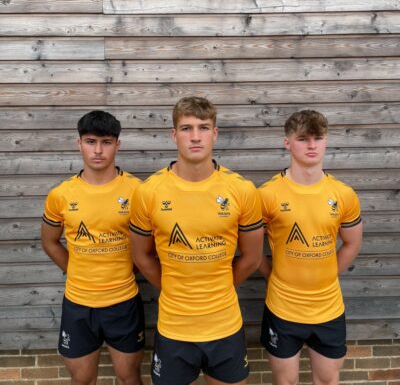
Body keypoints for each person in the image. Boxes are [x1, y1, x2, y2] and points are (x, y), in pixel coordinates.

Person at [130, 96, 264, 385]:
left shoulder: (241, 189)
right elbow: (141, 256)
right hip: (174, 328)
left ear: (214, 133)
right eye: (186, 128)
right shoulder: (148, 191)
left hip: (225, 326)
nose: (195, 137)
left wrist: (219, 286)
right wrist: (173, 286)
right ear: (174, 134)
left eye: (203, 128)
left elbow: (252, 258)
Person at [258, 110, 363, 385]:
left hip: (328, 309)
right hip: (283, 309)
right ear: (287, 142)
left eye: (318, 138)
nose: (312, 145)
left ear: (327, 141)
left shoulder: (343, 194)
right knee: (285, 382)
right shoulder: (267, 194)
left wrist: (327, 274)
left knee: (328, 381)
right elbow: (251, 248)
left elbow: (352, 243)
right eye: (303, 138)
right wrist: (275, 276)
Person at [41, 110, 144, 385]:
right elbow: (49, 241)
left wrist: (129, 267)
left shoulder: (138, 191)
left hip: (123, 303)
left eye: (106, 142)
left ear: (117, 145)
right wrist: (75, 270)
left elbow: (153, 243)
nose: (98, 150)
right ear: (79, 143)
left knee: (128, 377)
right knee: (82, 379)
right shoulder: (61, 194)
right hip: (78, 305)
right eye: (90, 141)